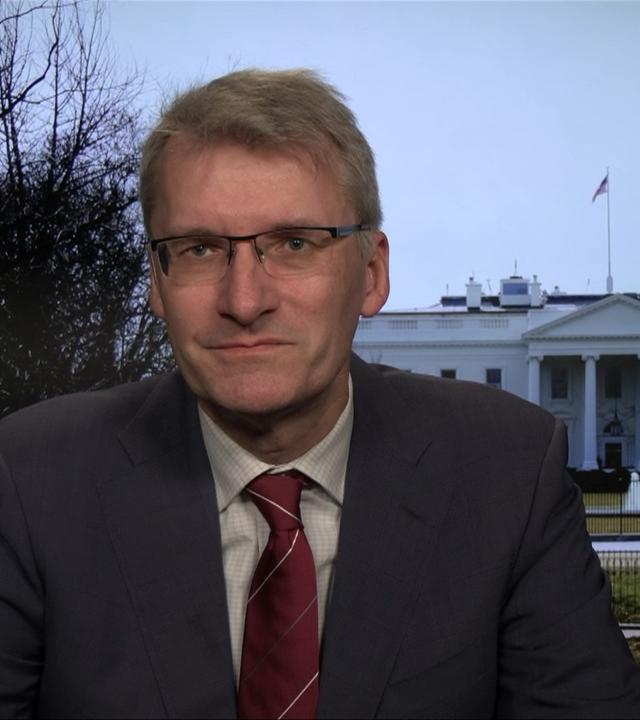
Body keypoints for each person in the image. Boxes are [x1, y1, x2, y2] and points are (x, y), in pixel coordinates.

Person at [0, 68, 638, 720]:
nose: (244, 301)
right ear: (158, 284)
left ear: (372, 273)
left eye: (294, 243)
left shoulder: (506, 472)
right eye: (199, 250)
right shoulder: (30, 480)